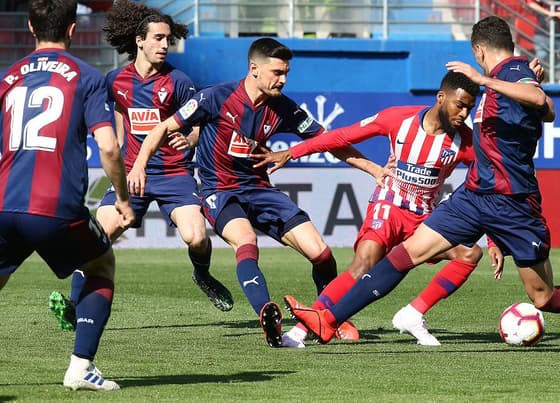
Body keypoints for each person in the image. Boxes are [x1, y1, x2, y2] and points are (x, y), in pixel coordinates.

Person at [285, 16, 560, 356]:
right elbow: (535, 105)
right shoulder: (505, 79)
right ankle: (327, 320)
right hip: (474, 197)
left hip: (514, 203)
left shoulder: (511, 70)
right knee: (406, 254)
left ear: (479, 50)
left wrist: (486, 78)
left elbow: (543, 104)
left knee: (542, 297)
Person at [126, 37, 385, 347]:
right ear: (254, 69)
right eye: (277, 72)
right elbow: (162, 128)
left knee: (322, 254)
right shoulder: (215, 97)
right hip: (219, 190)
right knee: (246, 241)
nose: (283, 80)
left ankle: (328, 316)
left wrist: (375, 170)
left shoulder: (283, 108)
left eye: (286, 72)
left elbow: (329, 141)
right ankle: (267, 315)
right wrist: (140, 164)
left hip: (259, 188)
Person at [252, 71, 504, 348]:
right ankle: (299, 332)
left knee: (469, 253)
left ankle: (414, 313)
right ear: (441, 98)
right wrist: (292, 152)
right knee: (365, 262)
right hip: (389, 204)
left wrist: (492, 239)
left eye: (470, 107)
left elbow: (486, 184)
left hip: (425, 218)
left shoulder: (466, 142)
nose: (464, 113)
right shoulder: (399, 119)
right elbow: (341, 136)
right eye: (460, 105)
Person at [48, 0, 233, 332]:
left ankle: (202, 273)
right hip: (133, 175)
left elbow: (197, 123)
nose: (165, 45)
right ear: (139, 41)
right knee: (96, 237)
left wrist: (189, 140)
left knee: (196, 238)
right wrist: (121, 151)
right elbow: (116, 115)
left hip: (175, 174)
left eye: (167, 39)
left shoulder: (179, 81)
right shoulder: (115, 80)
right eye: (158, 38)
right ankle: (74, 307)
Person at [0, 0, 135, 390]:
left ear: (30, 27)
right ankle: (80, 367)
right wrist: (122, 199)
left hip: (5, 203)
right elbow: (109, 148)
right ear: (73, 30)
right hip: (55, 207)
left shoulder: (8, 77)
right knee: (100, 266)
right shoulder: (87, 76)